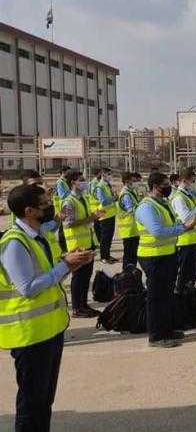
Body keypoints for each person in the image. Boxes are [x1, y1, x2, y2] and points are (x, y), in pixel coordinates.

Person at [0, 184, 94, 432]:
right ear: (29, 211)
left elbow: (50, 273)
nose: (50, 206)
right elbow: (28, 287)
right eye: (44, 204)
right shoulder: (14, 243)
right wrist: (65, 267)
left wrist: (69, 261)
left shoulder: (40, 236)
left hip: (50, 329)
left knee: (44, 399)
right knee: (31, 401)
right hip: (29, 334)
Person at [135, 172, 196, 348]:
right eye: (164, 184)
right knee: (156, 298)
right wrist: (183, 229)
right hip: (153, 257)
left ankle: (167, 329)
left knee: (166, 296)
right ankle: (156, 336)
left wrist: (181, 227)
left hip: (166, 254)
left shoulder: (162, 203)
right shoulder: (147, 207)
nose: (168, 186)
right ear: (155, 186)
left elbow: (171, 225)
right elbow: (157, 231)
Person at [60, 170, 103, 317]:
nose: (84, 182)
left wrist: (94, 217)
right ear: (73, 183)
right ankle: (77, 308)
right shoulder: (68, 202)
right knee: (78, 278)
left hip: (87, 243)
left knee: (85, 277)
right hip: (77, 245)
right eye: (81, 180)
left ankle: (83, 305)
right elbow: (68, 223)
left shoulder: (82, 199)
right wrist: (91, 218)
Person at [171, 167, 196, 292]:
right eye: (192, 181)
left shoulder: (188, 195)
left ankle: (189, 291)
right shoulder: (178, 198)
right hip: (185, 241)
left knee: (192, 271)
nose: (193, 184)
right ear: (183, 181)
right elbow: (186, 218)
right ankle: (181, 294)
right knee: (185, 272)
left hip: (194, 239)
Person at [92, 167, 119, 264]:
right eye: (109, 174)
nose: (110, 176)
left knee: (109, 237)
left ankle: (107, 255)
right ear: (103, 175)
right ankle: (103, 257)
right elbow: (103, 201)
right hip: (104, 215)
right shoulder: (100, 186)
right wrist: (113, 198)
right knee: (105, 238)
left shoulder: (107, 185)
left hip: (110, 214)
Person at [117, 172, 142, 268]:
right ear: (127, 182)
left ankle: (131, 274)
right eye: (134, 181)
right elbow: (132, 210)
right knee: (129, 256)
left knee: (132, 255)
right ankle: (127, 277)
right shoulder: (126, 194)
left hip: (133, 230)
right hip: (128, 230)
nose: (136, 183)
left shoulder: (131, 192)